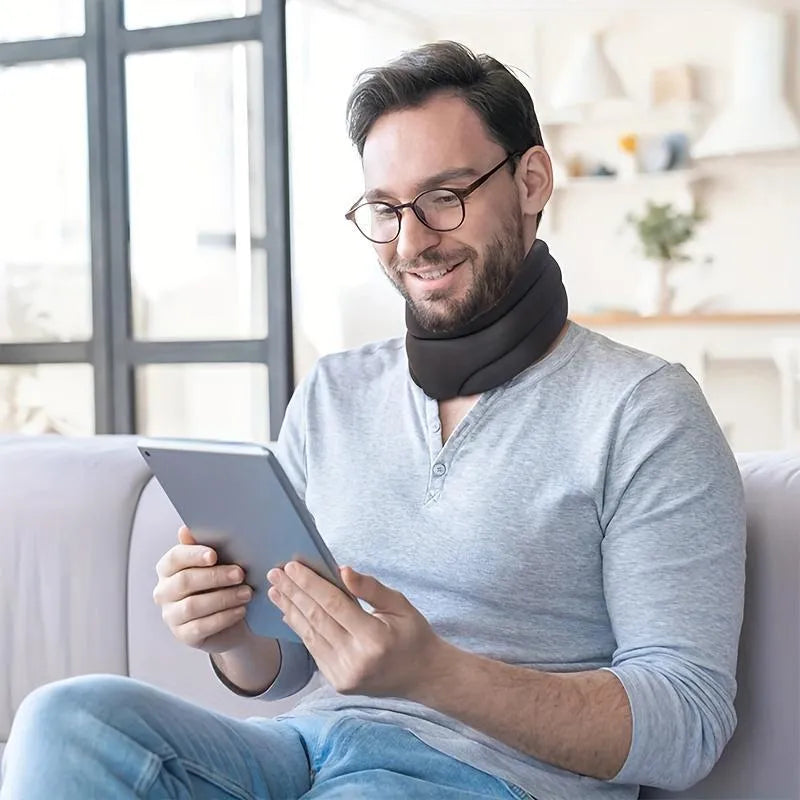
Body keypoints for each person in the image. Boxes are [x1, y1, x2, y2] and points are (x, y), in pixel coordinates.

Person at [1, 41, 745, 800]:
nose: (412, 241)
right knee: (67, 720)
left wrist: (437, 675)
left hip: (486, 781)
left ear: (531, 180)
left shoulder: (644, 408)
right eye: (384, 210)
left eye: (445, 197)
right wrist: (233, 636)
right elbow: (285, 665)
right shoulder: (334, 391)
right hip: (302, 749)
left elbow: (687, 722)